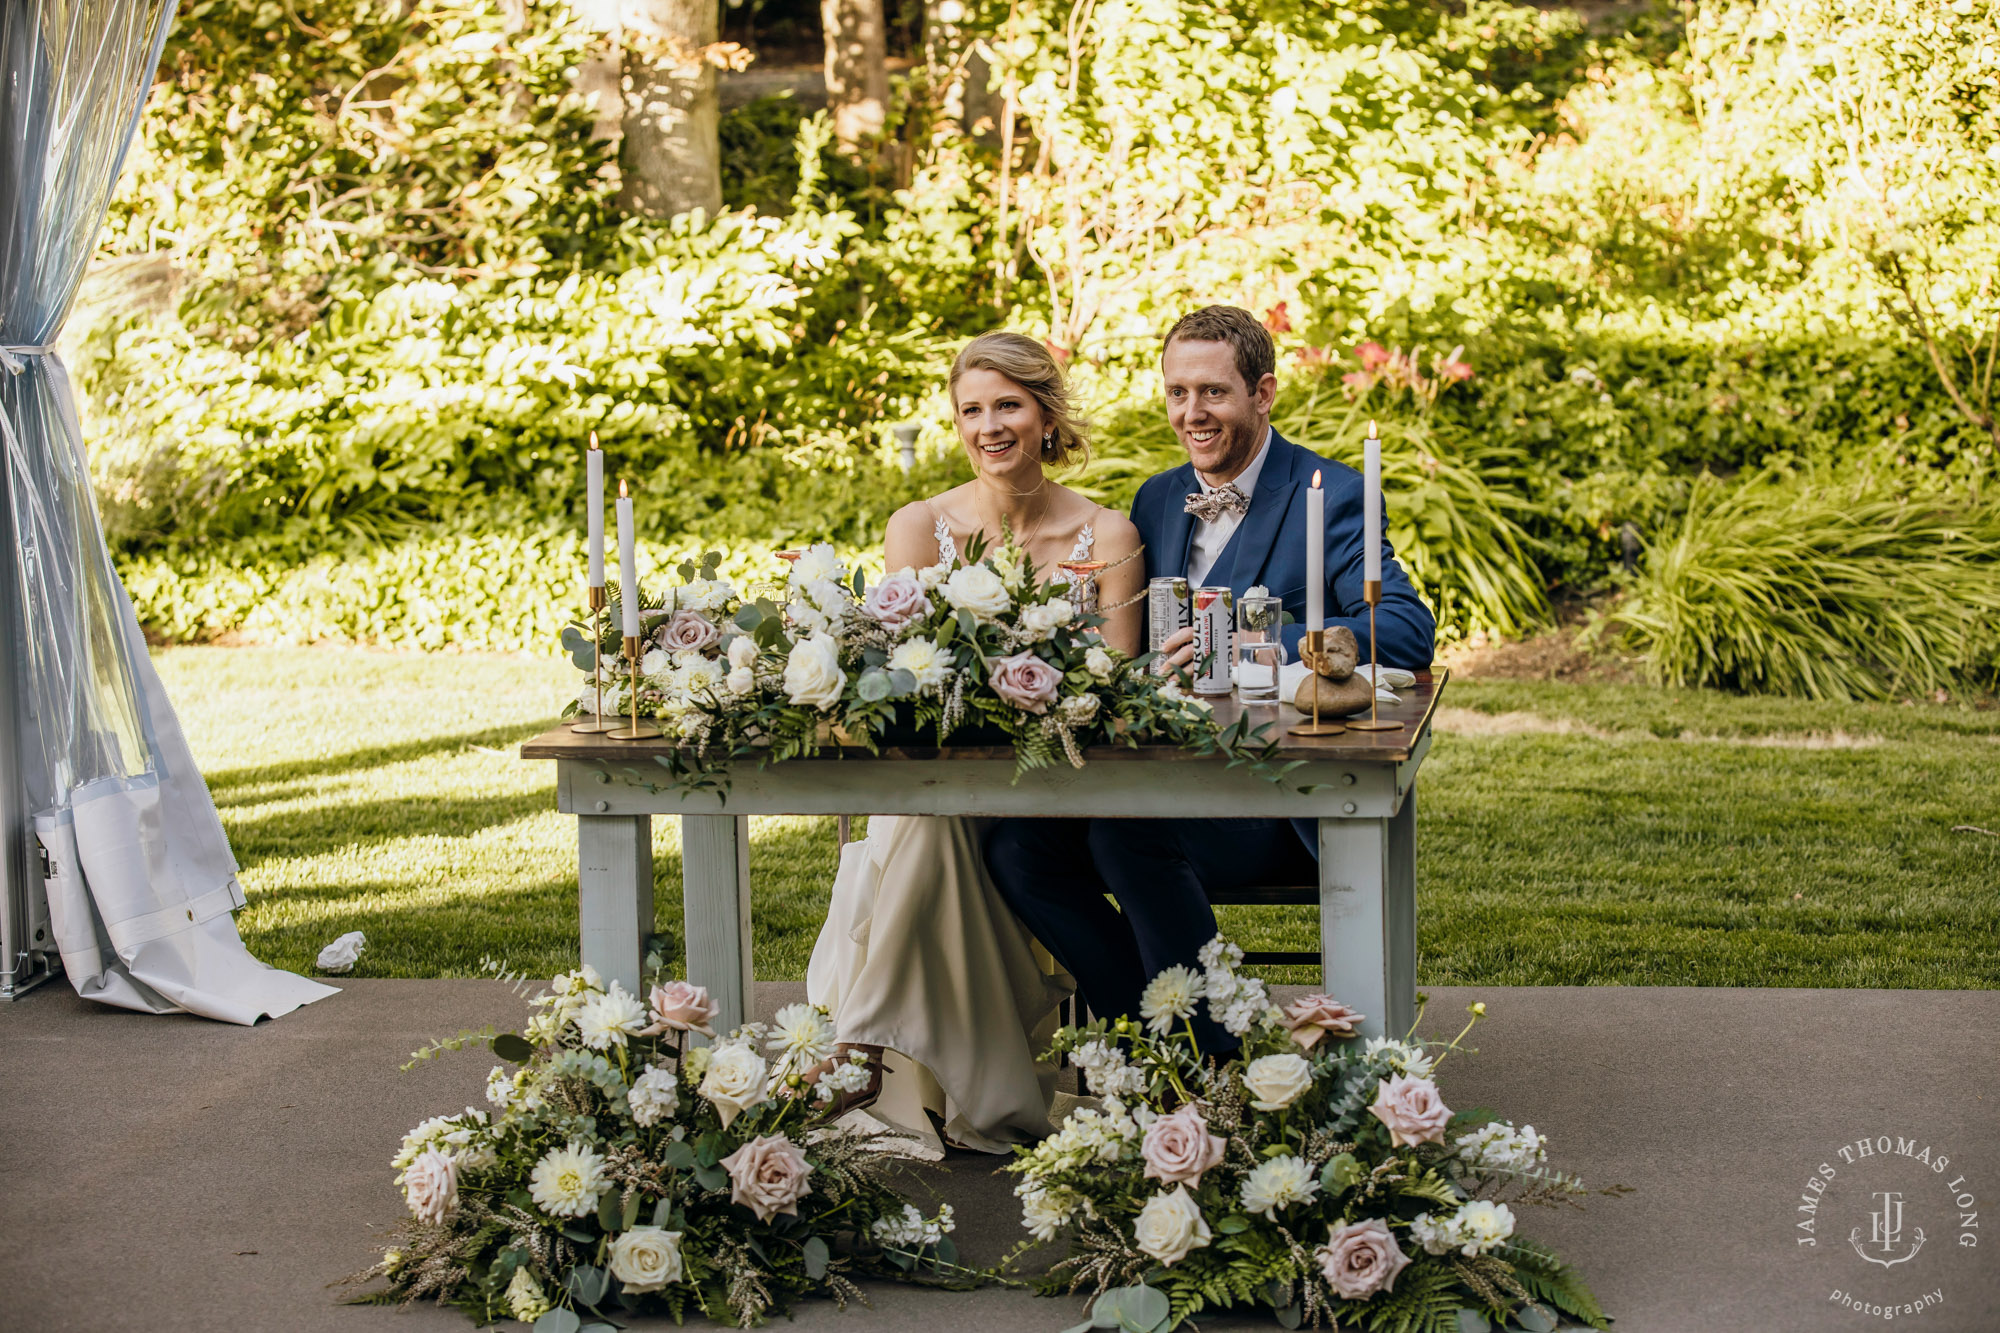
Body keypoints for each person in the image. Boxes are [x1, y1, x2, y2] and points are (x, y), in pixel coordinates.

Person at [984, 306, 1436, 1052]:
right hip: (1158, 772)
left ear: (1263, 393)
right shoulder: (1156, 500)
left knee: (1127, 840)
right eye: (1177, 393)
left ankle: (1204, 1056)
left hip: (1276, 792)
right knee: (1017, 849)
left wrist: (1256, 642)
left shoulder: (1334, 491)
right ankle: (1144, 1034)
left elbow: (1407, 633)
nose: (1192, 413)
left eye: (1214, 392)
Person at [804, 330, 1145, 1154]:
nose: (989, 426)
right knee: (932, 823)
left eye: (1008, 406)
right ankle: (873, 1041)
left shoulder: (1111, 536)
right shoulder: (919, 528)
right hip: (940, 794)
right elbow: (900, 687)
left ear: (1047, 415)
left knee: (929, 828)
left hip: (1052, 797)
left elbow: (1117, 693)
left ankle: (858, 1046)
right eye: (971, 409)